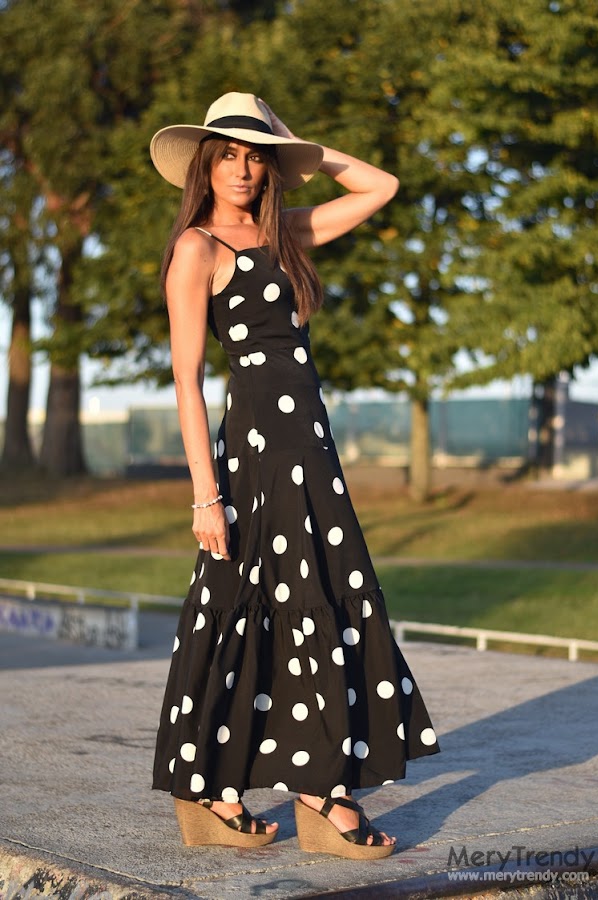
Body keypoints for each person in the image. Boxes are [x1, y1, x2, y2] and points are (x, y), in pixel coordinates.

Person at [150, 92, 439, 860]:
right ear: (204, 165)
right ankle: (225, 788)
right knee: (243, 602)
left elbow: (380, 187)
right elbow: (186, 381)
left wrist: (294, 140)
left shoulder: (287, 233)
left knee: (321, 595)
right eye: (228, 154)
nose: (242, 169)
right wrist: (205, 496)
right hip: (253, 452)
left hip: (309, 445)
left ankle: (316, 782)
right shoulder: (197, 249)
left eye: (256, 156)